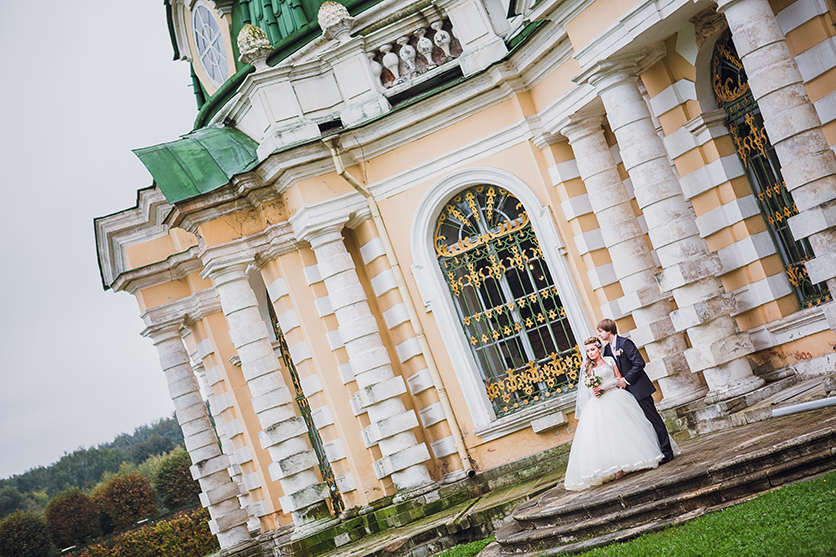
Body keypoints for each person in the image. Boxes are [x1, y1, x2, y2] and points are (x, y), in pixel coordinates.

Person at [564, 337, 666, 491]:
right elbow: (588, 387)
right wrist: (594, 390)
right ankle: (617, 468)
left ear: (599, 348)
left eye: (592, 349)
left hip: (616, 397)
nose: (590, 353)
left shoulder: (610, 360)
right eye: (587, 351)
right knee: (606, 435)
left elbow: (618, 379)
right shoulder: (587, 367)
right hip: (599, 403)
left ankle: (636, 461)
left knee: (626, 429)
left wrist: (605, 386)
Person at [596, 318, 675, 464]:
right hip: (624, 395)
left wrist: (625, 380)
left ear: (608, 330)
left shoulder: (625, 343)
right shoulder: (606, 350)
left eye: (600, 331)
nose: (599, 335)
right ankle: (654, 452)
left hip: (639, 389)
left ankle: (667, 452)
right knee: (639, 424)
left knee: (654, 420)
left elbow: (639, 363)